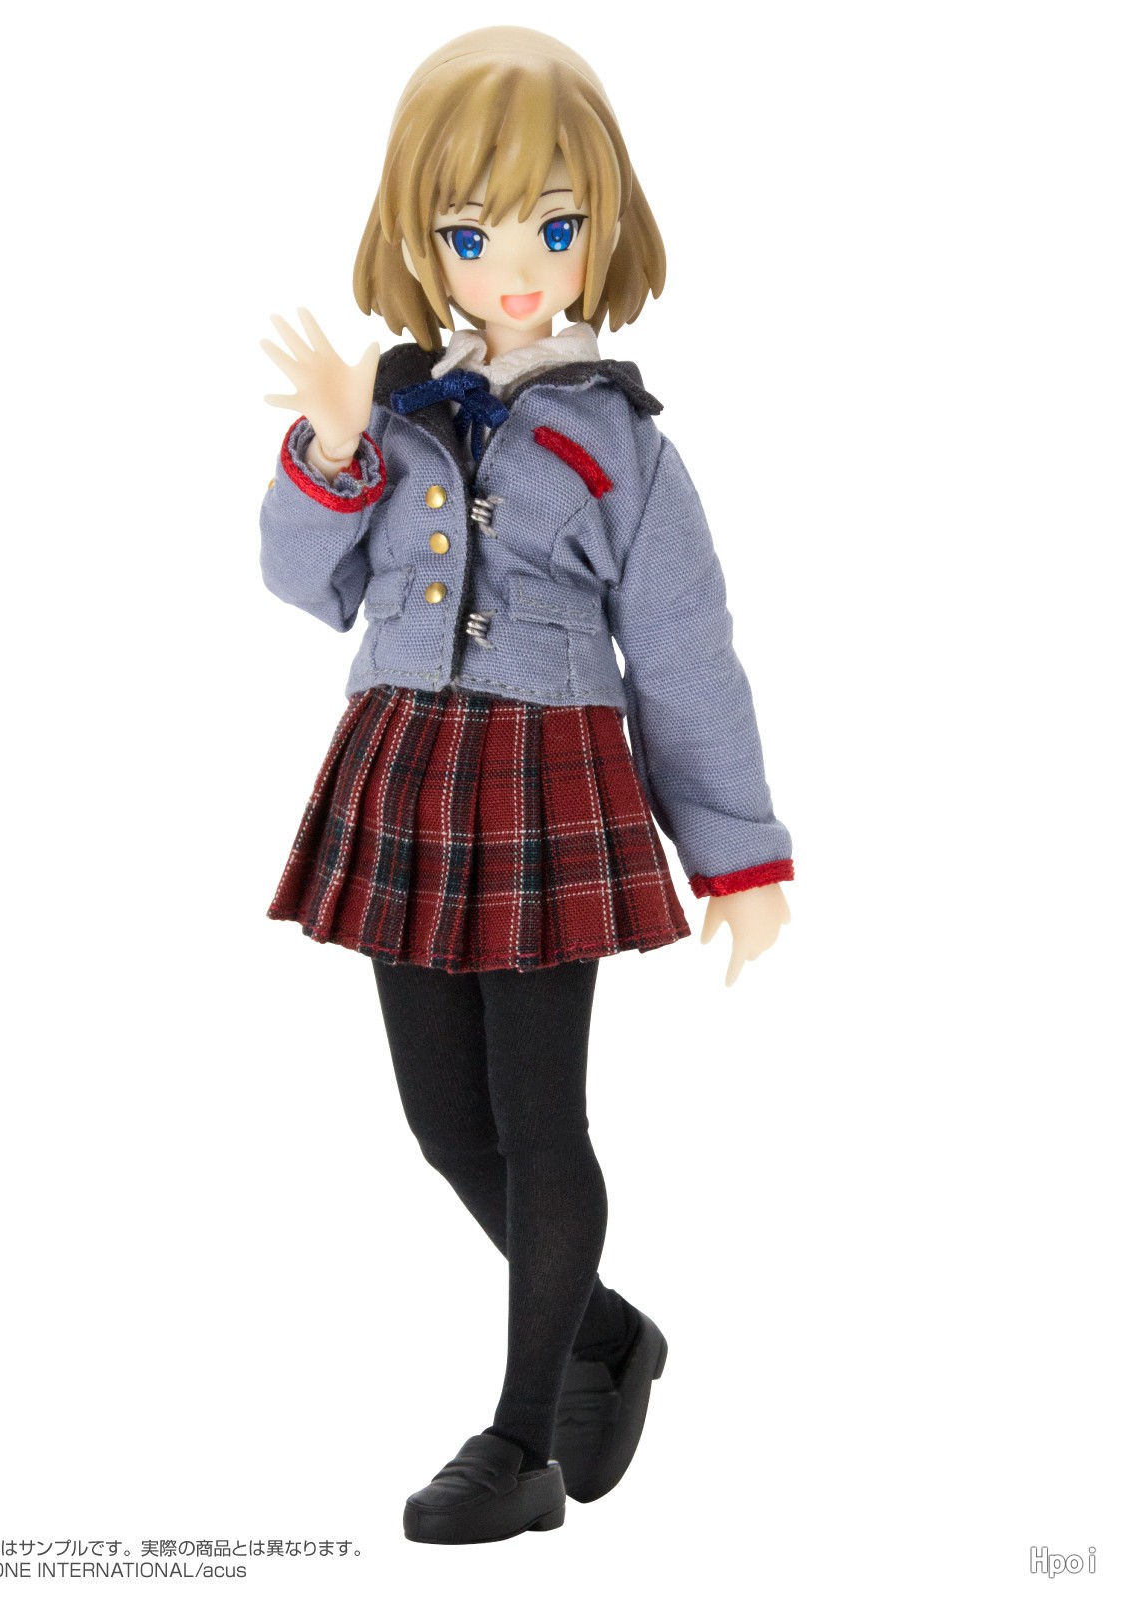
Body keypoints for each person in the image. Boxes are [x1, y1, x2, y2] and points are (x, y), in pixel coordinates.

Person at [258, 25, 793, 1544]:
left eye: (554, 228)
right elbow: (304, 585)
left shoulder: (625, 447)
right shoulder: (392, 413)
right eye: (470, 229)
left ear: (603, 231)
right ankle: (607, 1332)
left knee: (539, 1114)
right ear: (418, 238)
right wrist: (334, 447)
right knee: (444, 1121)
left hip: (550, 782)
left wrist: (739, 858)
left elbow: (685, 655)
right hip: (405, 769)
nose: (513, 265)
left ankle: (520, 1444)